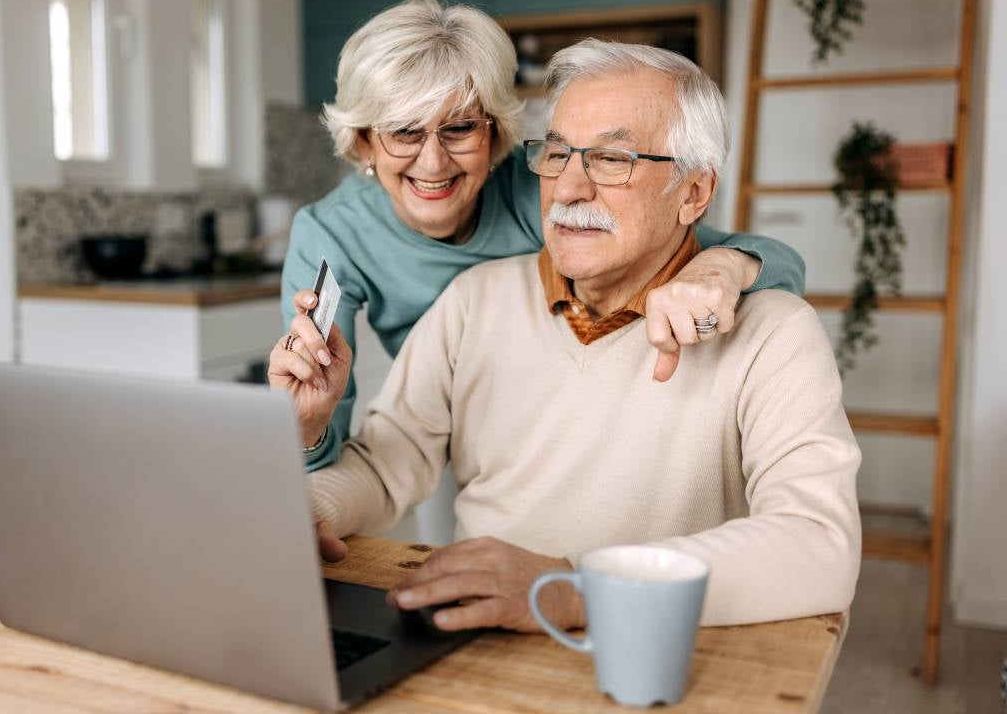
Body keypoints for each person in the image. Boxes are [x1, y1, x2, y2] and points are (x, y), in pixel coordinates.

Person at [277, 38, 861, 632]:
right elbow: (383, 466)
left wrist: (573, 589)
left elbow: (818, 547)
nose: (569, 188)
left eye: (612, 160)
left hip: (655, 655)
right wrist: (307, 508)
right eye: (557, 154)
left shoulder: (775, 332)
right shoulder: (471, 300)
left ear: (693, 192)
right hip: (476, 645)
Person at [270, 0, 807, 472]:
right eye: (403, 132)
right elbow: (322, 435)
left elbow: (773, 261)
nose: (432, 162)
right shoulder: (330, 234)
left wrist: (722, 267)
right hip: (437, 417)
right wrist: (304, 428)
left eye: (458, 128)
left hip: (565, 411)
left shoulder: (548, 190)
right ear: (363, 143)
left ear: (495, 132)